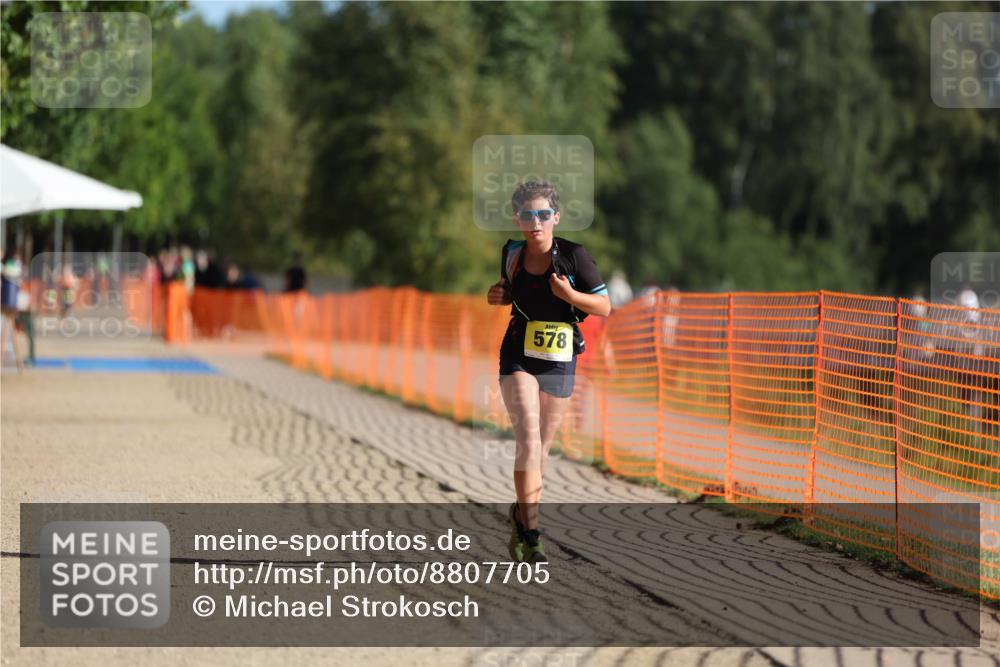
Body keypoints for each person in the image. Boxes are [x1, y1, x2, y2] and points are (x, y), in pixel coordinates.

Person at [486, 180, 610, 563]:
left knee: (542, 445)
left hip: (559, 356)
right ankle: (533, 534)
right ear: (517, 218)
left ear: (556, 216)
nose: (535, 222)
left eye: (543, 214)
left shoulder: (574, 256)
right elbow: (507, 291)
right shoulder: (512, 253)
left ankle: (521, 515)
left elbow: (604, 306)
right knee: (527, 439)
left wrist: (570, 296)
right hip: (518, 353)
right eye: (527, 215)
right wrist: (497, 295)